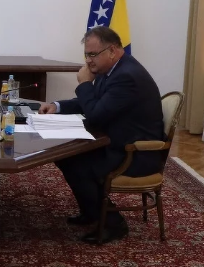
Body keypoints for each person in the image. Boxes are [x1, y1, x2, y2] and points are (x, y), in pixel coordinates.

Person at [39, 26, 163, 244]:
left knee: (77, 163)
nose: (88, 61)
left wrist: (85, 83)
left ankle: (113, 224)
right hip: (119, 142)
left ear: (112, 50)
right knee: (66, 156)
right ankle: (93, 212)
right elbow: (94, 102)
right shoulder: (114, 70)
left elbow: (95, 115)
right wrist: (57, 106)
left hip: (135, 153)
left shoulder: (126, 77)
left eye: (93, 54)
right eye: (86, 55)